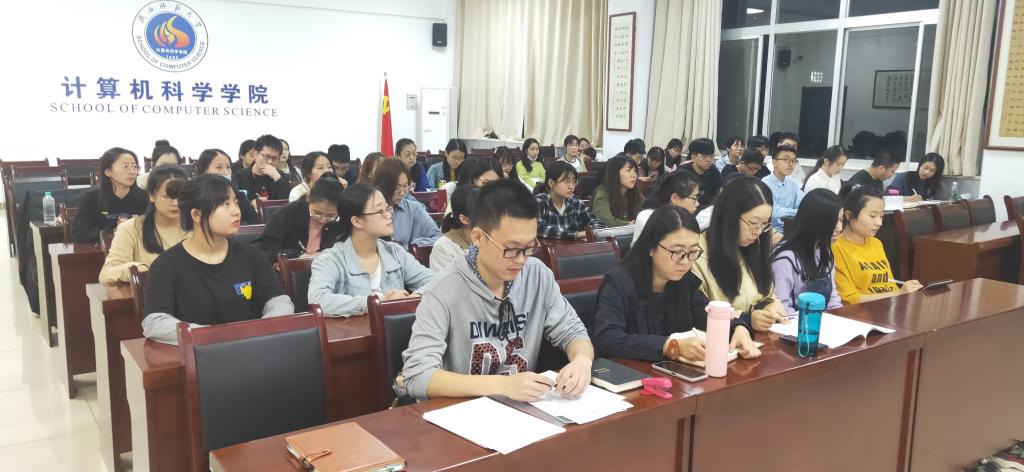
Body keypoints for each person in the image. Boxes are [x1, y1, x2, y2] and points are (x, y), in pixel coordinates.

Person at [396, 179, 594, 402]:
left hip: (521, 408)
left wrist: (582, 361)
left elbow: (573, 332)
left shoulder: (537, 275)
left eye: (530, 247)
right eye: (511, 249)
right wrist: (502, 385)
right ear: (478, 237)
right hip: (459, 410)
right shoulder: (443, 289)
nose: (521, 260)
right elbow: (418, 375)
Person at [141, 174, 295, 345]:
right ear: (196, 214)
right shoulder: (166, 265)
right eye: (225, 204)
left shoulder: (252, 255)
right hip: (198, 354)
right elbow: (155, 322)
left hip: (252, 348)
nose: (236, 211)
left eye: (236, 202)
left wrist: (258, 330)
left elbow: (279, 301)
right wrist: (213, 336)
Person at [592, 206, 759, 362]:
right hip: (632, 374)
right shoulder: (619, 282)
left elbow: (706, 314)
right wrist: (668, 346)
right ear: (650, 247)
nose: (685, 262)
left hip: (676, 373)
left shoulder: (684, 281)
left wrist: (737, 327)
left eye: (692, 252)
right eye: (677, 252)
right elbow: (606, 338)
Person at [307, 184, 434, 317]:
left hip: (396, 328)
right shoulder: (330, 260)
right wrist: (377, 302)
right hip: (355, 329)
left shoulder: (395, 252)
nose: (389, 215)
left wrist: (412, 298)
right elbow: (318, 299)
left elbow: (435, 281)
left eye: (387, 208)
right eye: (380, 211)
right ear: (357, 221)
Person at [690, 176, 787, 332]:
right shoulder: (696, 254)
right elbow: (699, 312)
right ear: (729, 216)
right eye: (753, 223)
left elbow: (766, 294)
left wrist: (770, 305)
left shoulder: (755, 246)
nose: (758, 231)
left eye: (764, 224)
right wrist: (746, 319)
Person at [98, 166, 189, 283]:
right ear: (152, 196)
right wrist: (135, 269)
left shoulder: (199, 227)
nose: (175, 203)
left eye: (180, 196)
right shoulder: (131, 228)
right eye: (166, 196)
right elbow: (106, 274)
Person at [833, 185, 922, 304]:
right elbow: (849, 299)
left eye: (881, 216)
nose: (879, 223)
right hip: (863, 311)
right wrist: (899, 293)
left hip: (889, 306)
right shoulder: (836, 247)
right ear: (849, 215)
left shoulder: (876, 243)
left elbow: (890, 285)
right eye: (872, 216)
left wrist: (905, 291)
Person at [770, 189, 844, 315]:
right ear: (816, 222)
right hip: (794, 323)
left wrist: (840, 316)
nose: (840, 228)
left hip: (821, 321)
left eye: (841, 220)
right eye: (834, 221)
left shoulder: (824, 250)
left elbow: (832, 299)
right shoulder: (785, 258)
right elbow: (781, 308)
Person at [255, 174, 345, 261]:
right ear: (308, 199)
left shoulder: (343, 219)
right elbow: (263, 247)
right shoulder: (288, 213)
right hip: (290, 268)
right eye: (317, 213)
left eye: (330, 216)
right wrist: (296, 255)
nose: (322, 220)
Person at [72, 147, 149, 243]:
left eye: (135, 167)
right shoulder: (92, 198)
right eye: (125, 166)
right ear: (108, 172)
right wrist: (110, 235)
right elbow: (80, 232)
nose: (133, 171)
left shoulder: (145, 197)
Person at [372, 158, 442, 247]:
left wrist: (410, 246)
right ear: (384, 184)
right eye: (397, 187)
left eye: (405, 186)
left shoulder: (414, 208)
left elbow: (437, 237)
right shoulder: (370, 209)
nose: (402, 193)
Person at [535, 161, 605, 240]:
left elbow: (596, 222)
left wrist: (593, 231)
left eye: (574, 182)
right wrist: (577, 235)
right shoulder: (539, 202)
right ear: (551, 183)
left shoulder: (575, 202)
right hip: (549, 247)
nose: (571, 186)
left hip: (576, 247)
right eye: (567, 181)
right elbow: (538, 229)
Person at [632, 170, 700, 245]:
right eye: (694, 198)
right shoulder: (648, 217)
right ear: (674, 198)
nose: (697, 204)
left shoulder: (687, 219)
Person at [195, 148, 261, 225]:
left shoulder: (238, 195)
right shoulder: (196, 196)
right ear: (204, 171)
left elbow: (256, 222)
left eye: (228, 167)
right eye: (219, 167)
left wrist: (231, 225)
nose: (225, 172)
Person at [430, 185, 479, 272]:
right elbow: (445, 280)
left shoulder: (493, 239)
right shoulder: (443, 247)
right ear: (464, 219)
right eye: (484, 213)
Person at [232, 134, 292, 201]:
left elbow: (289, 200)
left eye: (274, 158)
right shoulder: (240, 176)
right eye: (266, 156)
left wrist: (277, 178)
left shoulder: (280, 175)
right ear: (255, 154)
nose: (270, 161)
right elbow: (235, 201)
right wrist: (251, 203)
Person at [591, 155, 642, 227]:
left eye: (635, 171)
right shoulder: (602, 194)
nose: (634, 175)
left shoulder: (635, 193)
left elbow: (646, 213)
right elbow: (607, 221)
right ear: (615, 173)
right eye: (628, 170)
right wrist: (629, 224)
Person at [762, 145, 803, 232]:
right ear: (774, 162)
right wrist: (799, 212)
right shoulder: (764, 184)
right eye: (786, 159)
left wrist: (802, 211)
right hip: (770, 231)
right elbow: (774, 212)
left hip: (791, 229)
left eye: (794, 160)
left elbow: (804, 205)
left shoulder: (793, 183)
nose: (791, 164)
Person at [681, 138, 723, 206]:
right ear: (693, 157)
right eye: (704, 156)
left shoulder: (713, 169)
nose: (709, 160)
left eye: (711, 156)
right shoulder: (683, 172)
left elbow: (720, 190)